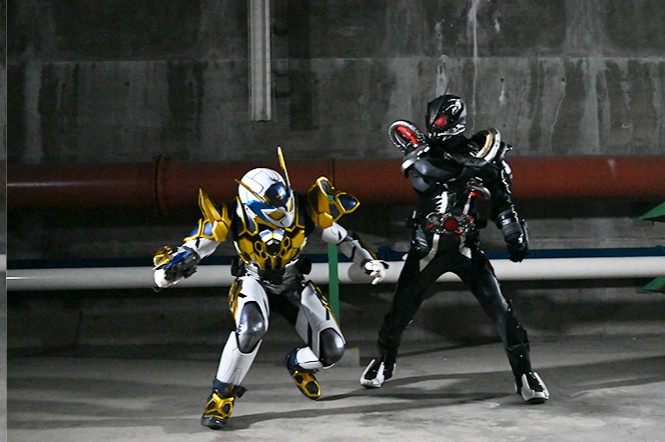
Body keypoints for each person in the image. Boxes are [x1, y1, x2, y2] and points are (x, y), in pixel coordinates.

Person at [153, 147, 389, 429]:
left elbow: (344, 237)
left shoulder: (304, 208)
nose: (282, 214)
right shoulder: (233, 214)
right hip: (253, 279)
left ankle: (298, 364)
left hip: (293, 282)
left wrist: (368, 261)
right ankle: (221, 397)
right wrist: (172, 267)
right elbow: (197, 246)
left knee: (332, 350)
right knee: (250, 329)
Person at [360, 94, 549, 404]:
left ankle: (525, 373)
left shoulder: (482, 156)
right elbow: (429, 174)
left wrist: (513, 233)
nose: (435, 126)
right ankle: (384, 360)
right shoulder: (425, 152)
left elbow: (502, 201)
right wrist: (477, 166)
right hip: (427, 246)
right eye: (433, 120)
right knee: (400, 311)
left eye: (440, 120)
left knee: (501, 310)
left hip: (465, 245)